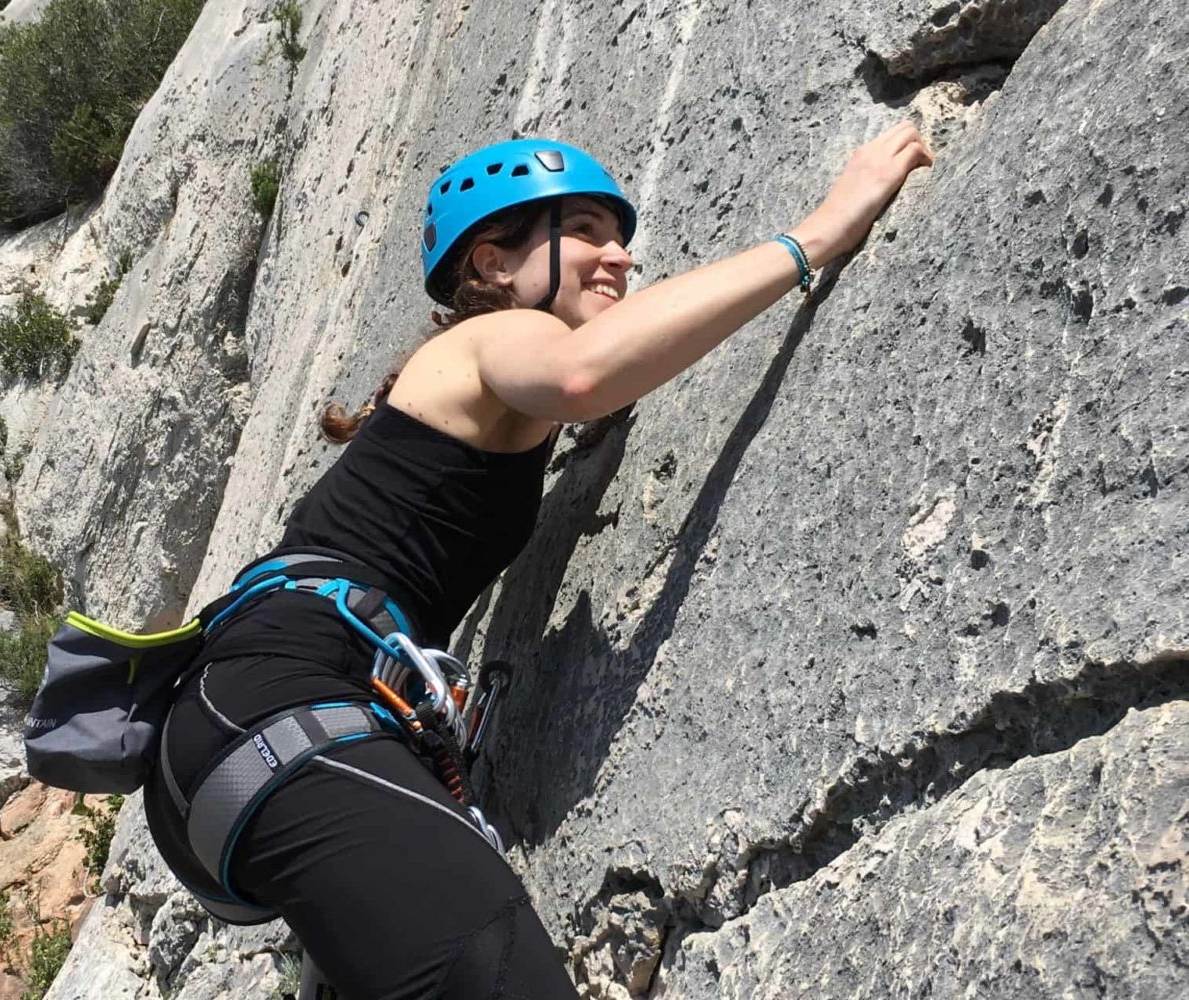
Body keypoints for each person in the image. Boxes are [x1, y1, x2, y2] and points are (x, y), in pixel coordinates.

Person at [143, 125, 934, 998]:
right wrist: (821, 230)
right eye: (589, 230)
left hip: (253, 741)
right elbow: (584, 375)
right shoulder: (486, 342)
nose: (621, 258)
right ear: (490, 264)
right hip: (285, 712)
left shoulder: (469, 403)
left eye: (620, 238)